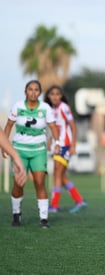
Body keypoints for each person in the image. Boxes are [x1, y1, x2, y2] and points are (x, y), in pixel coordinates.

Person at [2, 80, 60, 228]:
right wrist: (5, 146)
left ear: (39, 93)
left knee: (39, 182)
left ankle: (44, 219)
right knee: (18, 183)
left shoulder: (45, 108)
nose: (33, 92)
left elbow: (53, 128)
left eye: (36, 90)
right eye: (30, 89)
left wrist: (57, 143)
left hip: (38, 150)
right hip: (19, 149)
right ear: (25, 92)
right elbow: (8, 126)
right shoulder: (18, 106)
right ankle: (16, 213)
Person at [44, 85, 88, 214]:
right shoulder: (52, 109)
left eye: (58, 94)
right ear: (48, 96)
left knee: (57, 174)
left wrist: (73, 145)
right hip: (59, 145)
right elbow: (56, 128)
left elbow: (73, 127)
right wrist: (51, 140)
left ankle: (54, 205)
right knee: (62, 177)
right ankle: (80, 201)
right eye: (52, 94)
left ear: (61, 96)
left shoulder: (64, 107)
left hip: (65, 145)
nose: (55, 96)